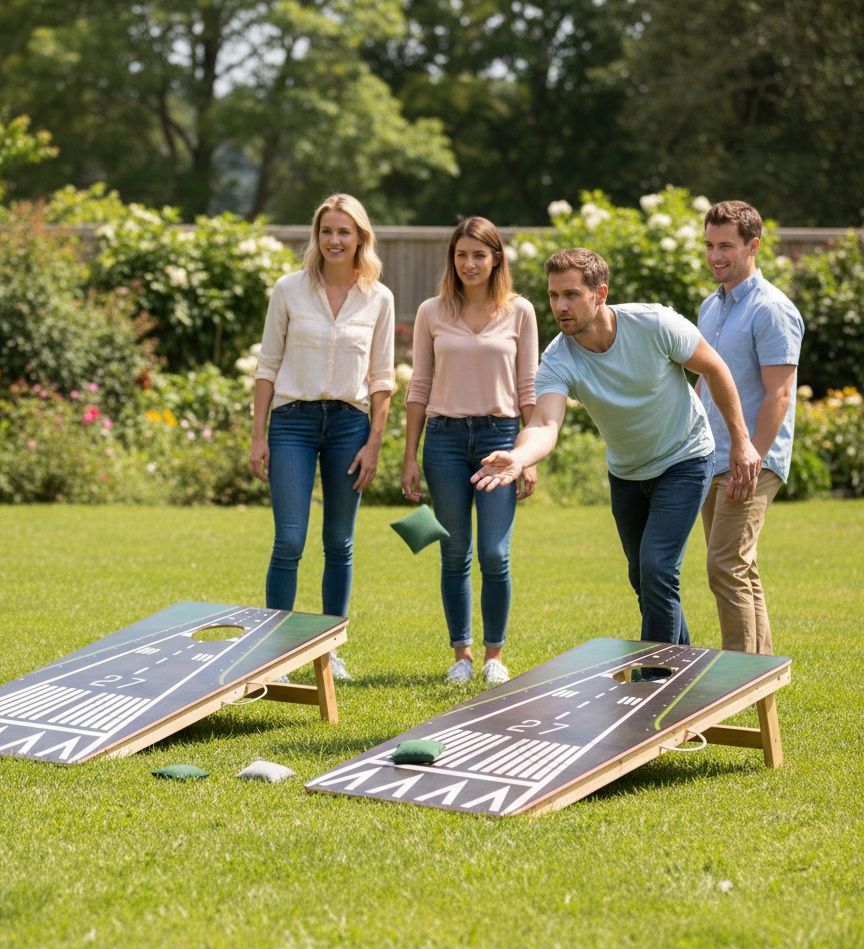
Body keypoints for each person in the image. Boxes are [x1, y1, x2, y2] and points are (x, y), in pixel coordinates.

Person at [472, 247, 761, 646]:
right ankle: (682, 660)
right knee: (643, 579)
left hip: (685, 458)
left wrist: (741, 441)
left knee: (658, 568)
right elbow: (544, 422)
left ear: (600, 293)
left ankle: (654, 680)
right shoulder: (558, 358)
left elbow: (715, 367)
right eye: (554, 296)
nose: (560, 306)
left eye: (571, 294)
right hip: (627, 472)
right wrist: (519, 458)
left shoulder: (654, 324)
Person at [250, 193, 394, 680]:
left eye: (344, 232)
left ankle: (328, 651)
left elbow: (382, 378)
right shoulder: (288, 290)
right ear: (317, 236)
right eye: (327, 231)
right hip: (291, 421)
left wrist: (374, 442)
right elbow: (267, 366)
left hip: (350, 426)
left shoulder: (380, 298)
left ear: (360, 238)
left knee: (339, 541)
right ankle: (275, 654)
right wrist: (257, 435)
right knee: (289, 540)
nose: (334, 240)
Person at [401, 217, 539, 684]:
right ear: (452, 259)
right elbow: (419, 386)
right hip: (443, 440)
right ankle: (461, 655)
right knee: (454, 551)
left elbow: (528, 389)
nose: (469, 264)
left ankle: (494, 655)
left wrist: (528, 456)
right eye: (461, 255)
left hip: (501, 440)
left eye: (479, 255)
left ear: (496, 258)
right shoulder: (431, 312)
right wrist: (409, 456)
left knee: (495, 554)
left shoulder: (520, 312)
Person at [698, 201, 804, 653]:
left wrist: (751, 456)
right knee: (739, 567)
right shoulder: (709, 307)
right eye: (709, 245)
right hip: (711, 455)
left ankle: (734, 681)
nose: (715, 256)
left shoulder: (772, 309)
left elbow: (779, 393)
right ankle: (758, 675)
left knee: (724, 565)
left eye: (726, 246)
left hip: (750, 458)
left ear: (752, 246)